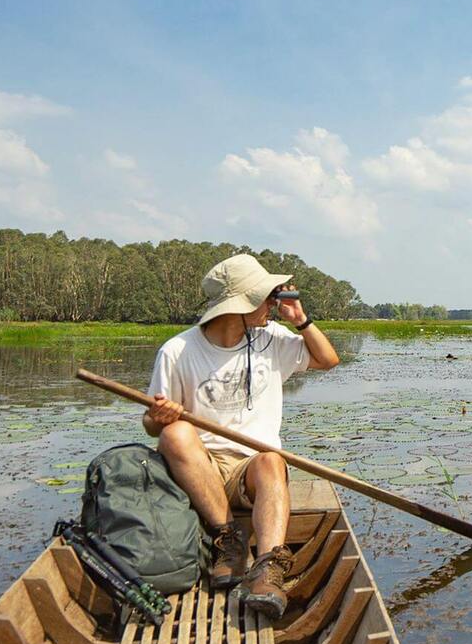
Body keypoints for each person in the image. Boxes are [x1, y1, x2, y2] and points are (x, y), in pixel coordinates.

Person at [143, 253, 340, 618]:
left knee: (271, 460)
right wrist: (160, 418)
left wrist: (302, 320)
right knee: (175, 434)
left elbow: (328, 360)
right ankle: (228, 539)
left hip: (252, 469)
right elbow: (151, 425)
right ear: (239, 305)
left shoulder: (272, 340)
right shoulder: (177, 351)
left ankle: (268, 567)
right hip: (200, 469)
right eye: (266, 296)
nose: (273, 303)